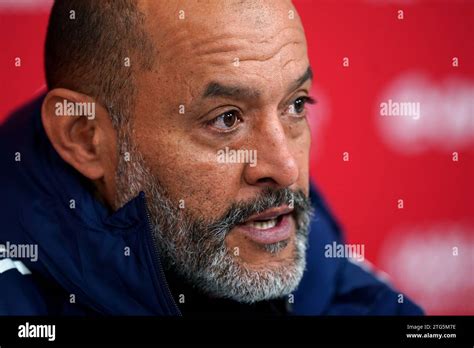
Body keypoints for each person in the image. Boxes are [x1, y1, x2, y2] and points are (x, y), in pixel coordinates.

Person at [0, 0, 423, 316]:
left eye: (295, 105)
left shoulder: (328, 281)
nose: (285, 168)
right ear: (86, 138)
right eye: (226, 119)